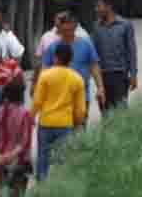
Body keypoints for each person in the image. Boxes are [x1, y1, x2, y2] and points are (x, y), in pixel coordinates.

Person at [37, 11, 104, 121]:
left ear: (75, 27)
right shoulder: (53, 47)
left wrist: (100, 87)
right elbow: (44, 71)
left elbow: (94, 66)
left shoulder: (86, 44)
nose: (68, 33)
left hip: (81, 97)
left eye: (70, 30)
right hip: (59, 99)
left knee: (79, 133)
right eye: (64, 30)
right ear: (60, 29)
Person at [32, 42, 85, 181]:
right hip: (65, 124)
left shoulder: (45, 76)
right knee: (63, 160)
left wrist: (31, 117)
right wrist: (78, 123)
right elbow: (80, 109)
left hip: (46, 123)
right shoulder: (77, 79)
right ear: (71, 59)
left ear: (55, 57)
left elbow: (37, 101)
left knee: (43, 158)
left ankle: (42, 187)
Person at [0, 77, 34, 196]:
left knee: (1, 191)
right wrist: (10, 156)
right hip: (18, 163)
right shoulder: (24, 114)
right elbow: (25, 142)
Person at [93, 0, 137, 111]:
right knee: (104, 111)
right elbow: (94, 54)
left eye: (99, 6)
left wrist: (133, 75)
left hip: (120, 75)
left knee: (120, 111)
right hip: (103, 76)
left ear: (108, 7)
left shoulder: (125, 25)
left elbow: (131, 51)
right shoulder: (96, 27)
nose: (96, 9)